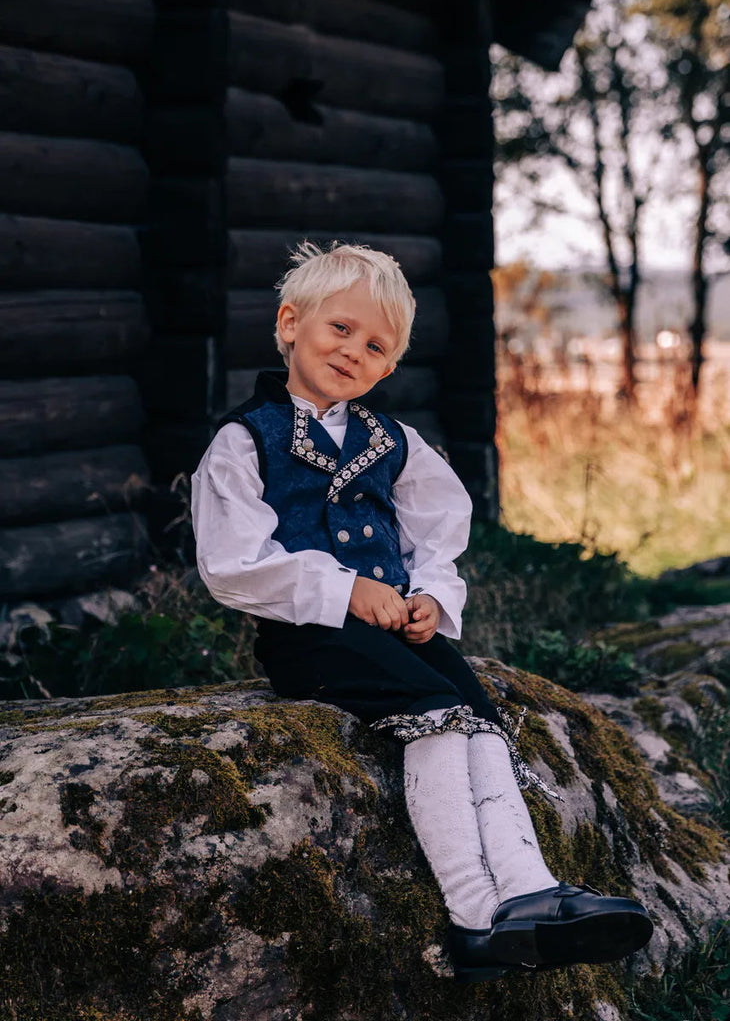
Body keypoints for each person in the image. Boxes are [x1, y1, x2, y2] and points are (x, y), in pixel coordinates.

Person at [191, 241, 653, 982]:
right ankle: (475, 915)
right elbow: (232, 565)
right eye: (339, 329)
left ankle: (531, 891)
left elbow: (440, 533)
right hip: (309, 638)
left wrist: (431, 598)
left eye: (374, 345)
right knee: (437, 706)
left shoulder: (393, 444)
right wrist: (343, 589)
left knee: (478, 712)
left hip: (386, 634)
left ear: (388, 367)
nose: (352, 351)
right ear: (289, 323)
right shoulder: (245, 442)